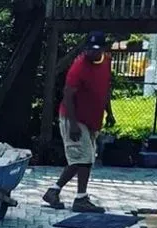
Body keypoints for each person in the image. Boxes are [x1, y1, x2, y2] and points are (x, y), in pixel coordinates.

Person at [43, 31, 115, 214]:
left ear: (103, 49)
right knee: (85, 159)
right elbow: (68, 96)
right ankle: (81, 198)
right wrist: (73, 125)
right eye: (89, 49)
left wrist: (110, 112)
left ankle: (53, 191)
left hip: (92, 119)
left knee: (82, 159)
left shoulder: (106, 62)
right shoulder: (79, 67)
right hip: (73, 118)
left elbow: (105, 89)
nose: (92, 52)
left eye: (96, 49)